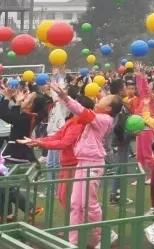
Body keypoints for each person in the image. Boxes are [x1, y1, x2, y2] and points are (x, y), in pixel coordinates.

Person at [48, 82, 123, 248]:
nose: (99, 98)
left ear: (109, 108)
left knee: (89, 204)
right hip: (83, 162)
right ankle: (73, 241)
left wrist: (66, 98)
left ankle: (104, 235)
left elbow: (81, 111)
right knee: (76, 204)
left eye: (104, 99)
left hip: (93, 164)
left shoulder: (104, 119)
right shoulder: (99, 116)